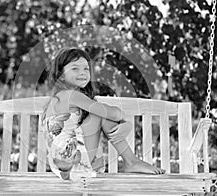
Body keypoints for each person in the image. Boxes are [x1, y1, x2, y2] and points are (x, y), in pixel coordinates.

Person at [41, 47, 165, 180]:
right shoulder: (72, 95)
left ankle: (131, 162)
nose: (82, 73)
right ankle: (131, 161)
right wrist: (125, 118)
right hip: (74, 161)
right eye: (75, 68)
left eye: (86, 69)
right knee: (100, 113)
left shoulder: (58, 98)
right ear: (61, 74)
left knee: (98, 112)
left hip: (61, 166)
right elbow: (107, 112)